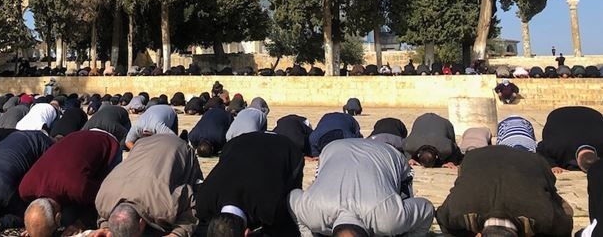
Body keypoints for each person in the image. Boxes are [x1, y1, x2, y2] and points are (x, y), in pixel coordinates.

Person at [290, 139, 433, 237]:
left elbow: (427, 210)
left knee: (399, 224)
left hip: (389, 153)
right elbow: (292, 198)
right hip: (334, 149)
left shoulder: (389, 219)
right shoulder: (312, 211)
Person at [436, 145, 573, 237]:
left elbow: (564, 225)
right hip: (477, 158)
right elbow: (443, 217)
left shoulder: (542, 217)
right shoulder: (458, 211)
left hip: (483, 157)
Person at [197, 132, 304, 237]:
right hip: (238, 143)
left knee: (290, 208)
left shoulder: (271, 209)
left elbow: (287, 230)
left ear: (247, 233)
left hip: (285, 148)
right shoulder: (203, 203)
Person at [94, 134, 202, 237]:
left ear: (141, 223)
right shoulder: (103, 201)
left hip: (177, 148)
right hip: (142, 144)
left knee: (199, 194)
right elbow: (103, 216)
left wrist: (178, 233)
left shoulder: (165, 206)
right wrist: (106, 228)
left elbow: (192, 206)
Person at [19, 129, 121, 234]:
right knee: (69, 216)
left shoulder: (78, 188)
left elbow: (103, 199)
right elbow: (36, 217)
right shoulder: (25, 189)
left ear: (58, 217)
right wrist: (34, 230)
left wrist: (80, 224)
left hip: (106, 141)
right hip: (75, 137)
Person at [537, 106, 603, 173]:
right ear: (577, 162)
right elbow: (540, 150)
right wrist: (552, 165)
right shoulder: (557, 145)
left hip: (592, 116)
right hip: (559, 116)